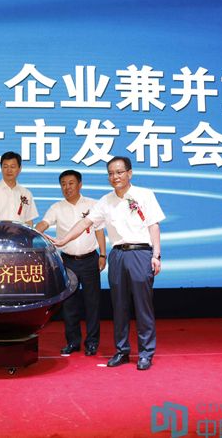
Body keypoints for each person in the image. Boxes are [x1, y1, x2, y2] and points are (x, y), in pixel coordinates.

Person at [48, 157, 164, 370]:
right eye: (111, 173)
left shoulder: (144, 195)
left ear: (129, 173)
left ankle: (146, 353)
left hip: (140, 252)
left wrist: (156, 255)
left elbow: (153, 225)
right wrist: (64, 240)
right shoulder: (105, 201)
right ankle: (122, 350)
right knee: (119, 306)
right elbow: (86, 222)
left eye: (119, 172)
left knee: (143, 306)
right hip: (117, 254)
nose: (115, 177)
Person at [35, 170, 107, 356]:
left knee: (92, 303)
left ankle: (92, 342)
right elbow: (44, 223)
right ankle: (73, 342)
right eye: (63, 184)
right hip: (67, 262)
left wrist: (103, 254)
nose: (67, 187)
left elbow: (99, 230)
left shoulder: (92, 204)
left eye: (71, 183)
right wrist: (35, 230)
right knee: (69, 305)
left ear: (80, 184)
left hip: (90, 260)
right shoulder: (57, 207)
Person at [0, 151, 38, 226]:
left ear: (19, 169)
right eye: (5, 167)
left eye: (12, 167)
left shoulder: (26, 193)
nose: (9, 170)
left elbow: (29, 221)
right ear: (1, 168)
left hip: (20, 233)